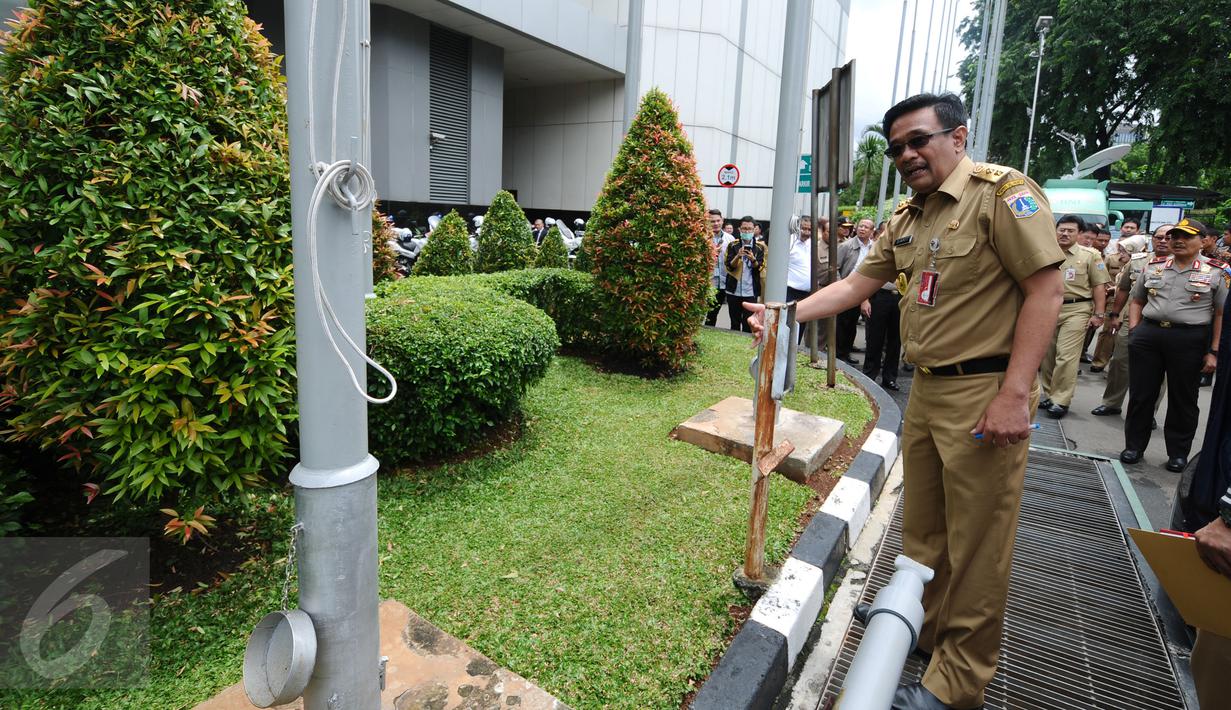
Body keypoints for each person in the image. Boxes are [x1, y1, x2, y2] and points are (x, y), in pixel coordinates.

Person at [745, 92, 1064, 710]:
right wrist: (783, 315)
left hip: (983, 391)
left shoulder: (1003, 195)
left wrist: (1015, 394)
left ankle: (958, 682)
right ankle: (922, 624)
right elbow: (854, 285)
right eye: (897, 148)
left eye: (919, 140)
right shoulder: (908, 218)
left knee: (977, 545)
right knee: (924, 529)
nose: (907, 155)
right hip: (926, 391)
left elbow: (1046, 291)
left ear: (959, 136)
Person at [1120, 219, 1227, 471]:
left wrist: (1214, 351)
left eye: (1186, 236)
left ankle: (1178, 454)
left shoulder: (1217, 271)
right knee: (1141, 395)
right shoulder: (1154, 266)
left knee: (1183, 399)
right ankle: (1134, 446)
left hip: (1189, 339)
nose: (1177, 241)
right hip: (1149, 335)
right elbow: (1137, 300)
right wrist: (1135, 331)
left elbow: (1222, 314)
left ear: (1203, 241)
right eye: (1174, 236)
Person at [1038, 215, 1110, 418]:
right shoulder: (1046, 252)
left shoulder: (1090, 255)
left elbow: (1099, 286)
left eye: (1070, 230)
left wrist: (1099, 313)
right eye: (1062, 229)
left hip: (1076, 309)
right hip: (1047, 308)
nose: (1065, 233)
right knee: (1048, 355)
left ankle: (1061, 400)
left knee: (1066, 356)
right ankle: (1050, 394)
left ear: (1079, 234)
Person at [1092, 231, 1168, 416]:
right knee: (1120, 362)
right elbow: (1124, 289)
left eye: (1169, 237)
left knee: (1158, 371)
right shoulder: (1138, 261)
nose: (1163, 241)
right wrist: (1115, 315)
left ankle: (1148, 412)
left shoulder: (1181, 265)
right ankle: (1111, 403)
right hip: (1131, 319)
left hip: (1163, 324)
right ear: (1153, 240)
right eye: (1159, 237)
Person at [835, 218, 875, 363]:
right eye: (861, 226)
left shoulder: (874, 248)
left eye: (866, 227)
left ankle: (846, 352)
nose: (862, 229)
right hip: (847, 289)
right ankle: (839, 355)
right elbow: (835, 268)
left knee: (853, 324)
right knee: (843, 323)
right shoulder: (846, 246)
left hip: (866, 291)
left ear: (872, 232)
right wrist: (840, 287)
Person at [723, 215, 766, 333]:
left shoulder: (760, 247)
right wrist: (738, 256)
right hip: (733, 289)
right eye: (744, 229)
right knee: (734, 322)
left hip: (750, 291)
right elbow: (728, 266)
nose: (747, 231)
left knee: (748, 323)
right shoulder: (733, 245)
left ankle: (746, 346)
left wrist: (753, 259)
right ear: (740, 229)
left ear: (754, 230)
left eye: (749, 229)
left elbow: (760, 268)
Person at [1089, 227, 1123, 372]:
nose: (1103, 243)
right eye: (1100, 240)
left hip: (1131, 302)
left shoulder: (1142, 260)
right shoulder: (1109, 258)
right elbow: (1102, 281)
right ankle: (1099, 361)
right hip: (1109, 298)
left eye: (1106, 241)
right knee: (1107, 331)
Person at [704, 209, 732, 327]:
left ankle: (709, 331)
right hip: (707, 282)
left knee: (714, 313)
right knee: (703, 311)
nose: (715, 223)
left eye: (718, 220)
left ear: (722, 221)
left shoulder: (730, 239)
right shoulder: (703, 237)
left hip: (723, 282)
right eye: (712, 221)